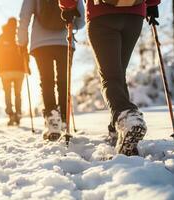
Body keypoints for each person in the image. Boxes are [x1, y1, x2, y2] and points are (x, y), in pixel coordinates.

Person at [85, 0, 161, 155]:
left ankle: (127, 116)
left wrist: (68, 7)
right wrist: (152, 3)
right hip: (134, 16)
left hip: (101, 13)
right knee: (118, 73)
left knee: (110, 75)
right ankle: (117, 131)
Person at [17, 0, 85, 141]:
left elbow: (24, 16)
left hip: (40, 43)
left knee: (46, 81)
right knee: (64, 81)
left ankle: (53, 120)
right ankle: (65, 120)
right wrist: (72, 24)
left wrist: (22, 42)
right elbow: (81, 20)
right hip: (65, 40)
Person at [0, 18, 27, 126]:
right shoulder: (19, 36)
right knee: (18, 94)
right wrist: (27, 66)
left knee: (7, 93)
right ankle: (17, 114)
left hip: (5, 71)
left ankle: (11, 114)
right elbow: (25, 52)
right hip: (19, 71)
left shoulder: (1, 37)